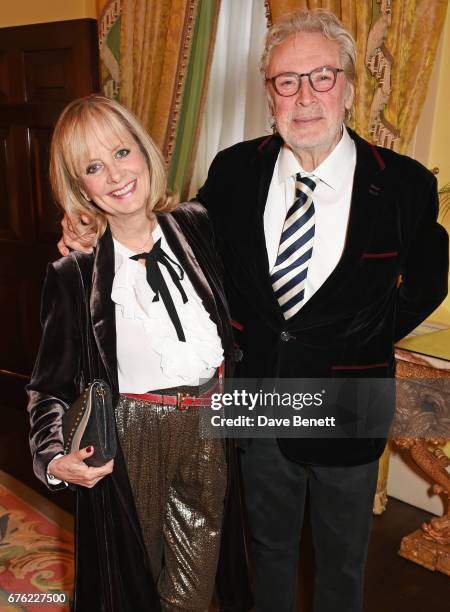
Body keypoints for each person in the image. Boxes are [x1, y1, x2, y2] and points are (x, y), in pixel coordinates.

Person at [59, 9, 449, 612]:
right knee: (263, 549)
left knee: (343, 562)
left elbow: (428, 278)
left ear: (348, 84)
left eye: (321, 76)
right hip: (255, 397)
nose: (305, 95)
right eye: (286, 81)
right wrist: (91, 231)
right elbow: (177, 240)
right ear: (270, 94)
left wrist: (366, 337)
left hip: (349, 398)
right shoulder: (234, 169)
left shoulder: (404, 183)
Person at [27, 95, 251, 612]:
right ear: (79, 185)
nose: (115, 175)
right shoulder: (75, 274)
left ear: (146, 152)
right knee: (130, 590)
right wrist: (55, 458)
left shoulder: (198, 226)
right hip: (130, 442)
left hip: (209, 429)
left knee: (196, 588)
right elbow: (48, 385)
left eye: (122, 153)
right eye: (93, 167)